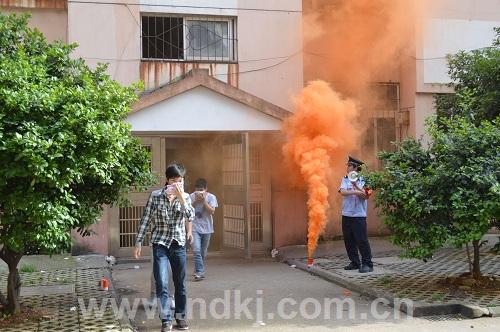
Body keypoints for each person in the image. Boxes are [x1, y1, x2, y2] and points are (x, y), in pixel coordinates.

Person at [134, 162, 194, 332]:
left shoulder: (187, 197)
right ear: (168, 180)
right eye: (174, 180)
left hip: (178, 244)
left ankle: (181, 317)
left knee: (180, 283)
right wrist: (139, 241)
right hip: (159, 243)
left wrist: (182, 198)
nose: (178, 184)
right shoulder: (155, 196)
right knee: (161, 282)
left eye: (180, 180)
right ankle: (165, 320)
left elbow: (191, 216)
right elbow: (146, 218)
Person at [338, 156, 374, 273]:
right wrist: (356, 191)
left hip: (359, 216)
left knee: (361, 240)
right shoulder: (345, 179)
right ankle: (355, 262)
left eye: (349, 165)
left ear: (355, 167)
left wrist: (356, 186)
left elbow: (366, 195)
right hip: (347, 214)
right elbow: (343, 192)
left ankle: (368, 264)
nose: (347, 168)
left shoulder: (365, 180)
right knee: (349, 240)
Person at [190, 178, 218, 281]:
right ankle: (199, 272)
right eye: (197, 189)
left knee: (202, 252)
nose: (199, 192)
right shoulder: (191, 196)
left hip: (207, 228)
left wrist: (204, 201)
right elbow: (188, 210)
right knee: (196, 249)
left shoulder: (211, 197)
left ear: (206, 189)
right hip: (194, 227)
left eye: (201, 189)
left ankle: (198, 268)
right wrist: (196, 201)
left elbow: (212, 211)